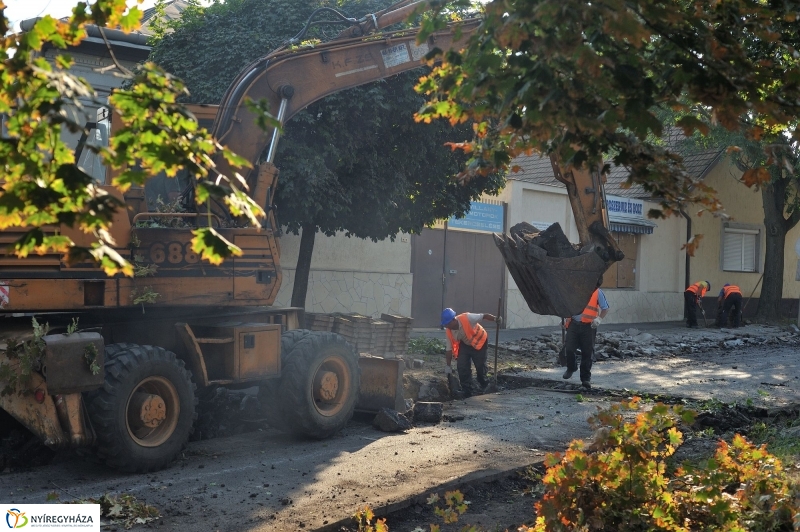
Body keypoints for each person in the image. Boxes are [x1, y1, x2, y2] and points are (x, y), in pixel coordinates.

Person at [441, 308, 501, 397]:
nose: (447, 326)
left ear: (453, 319)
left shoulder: (467, 318)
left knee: (480, 365)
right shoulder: (449, 331)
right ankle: (467, 390)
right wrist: (448, 366)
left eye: (448, 323)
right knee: (462, 366)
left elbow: (484, 316)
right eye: (445, 324)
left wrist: (495, 319)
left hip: (480, 341)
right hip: (465, 344)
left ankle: (484, 385)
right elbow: (449, 349)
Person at [562, 277, 609, 389]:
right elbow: (567, 306)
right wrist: (564, 318)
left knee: (587, 353)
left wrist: (599, 319)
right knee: (569, 348)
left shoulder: (597, 292)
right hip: (573, 323)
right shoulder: (574, 291)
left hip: (589, 326)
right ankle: (571, 367)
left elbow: (605, 308)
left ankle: (585, 379)